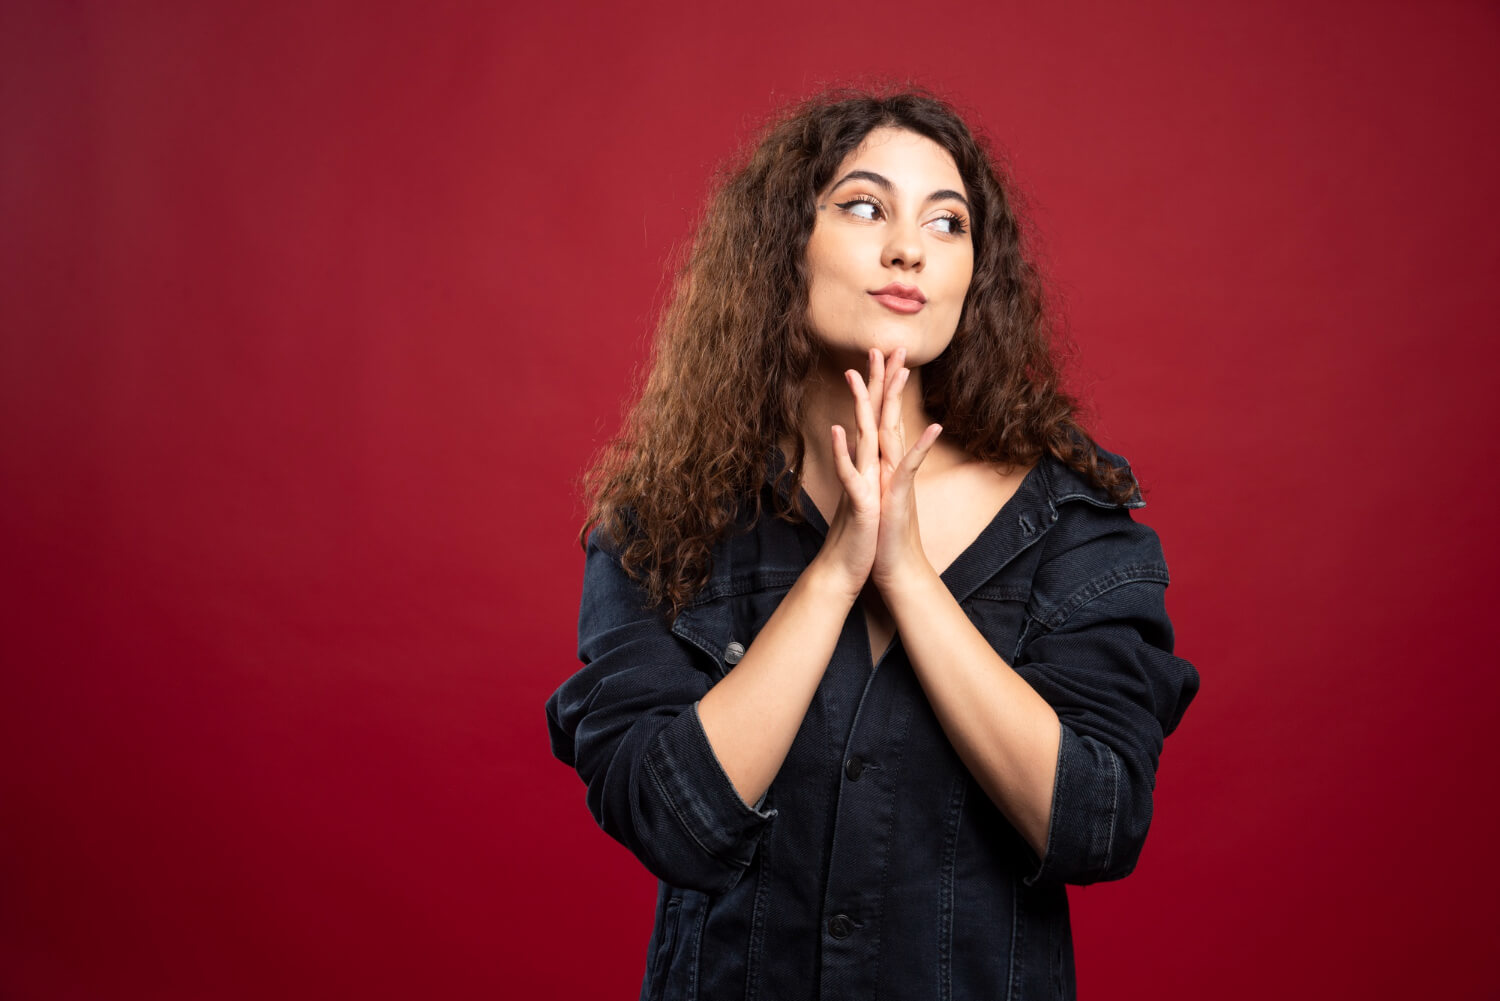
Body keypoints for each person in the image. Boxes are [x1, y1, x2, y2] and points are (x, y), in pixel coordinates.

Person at [545, 88, 1199, 1001]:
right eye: (864, 205)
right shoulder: (661, 522)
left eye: (948, 221)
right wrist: (838, 569)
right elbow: (671, 820)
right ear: (782, 248)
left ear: (976, 272)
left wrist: (908, 573)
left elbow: (1097, 822)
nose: (909, 248)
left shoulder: (1071, 523)